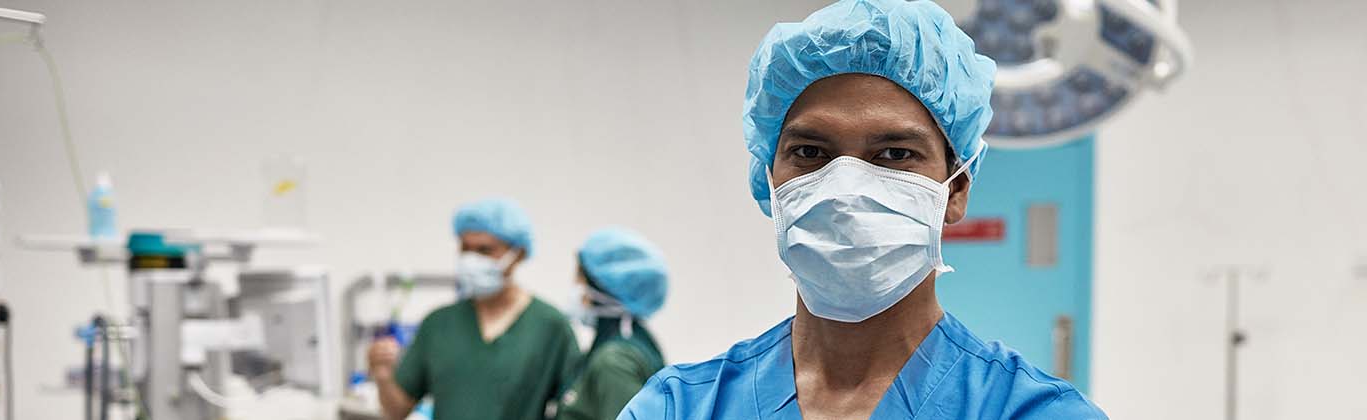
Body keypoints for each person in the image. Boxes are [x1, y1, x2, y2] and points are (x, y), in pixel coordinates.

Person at [618, 1, 1107, 419]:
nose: (844, 187)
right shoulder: (678, 407)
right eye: (811, 152)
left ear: (955, 189)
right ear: (771, 181)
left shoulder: (1029, 412)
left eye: (894, 154)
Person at [368, 198, 581, 420]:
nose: (472, 259)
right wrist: (383, 377)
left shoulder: (550, 326)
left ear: (518, 254)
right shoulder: (439, 324)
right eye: (465, 248)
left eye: (484, 250)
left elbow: (576, 408)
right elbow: (397, 411)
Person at [558, 227, 669, 420]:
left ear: (601, 289)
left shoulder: (614, 362)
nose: (575, 286)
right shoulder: (625, 342)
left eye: (580, 276)